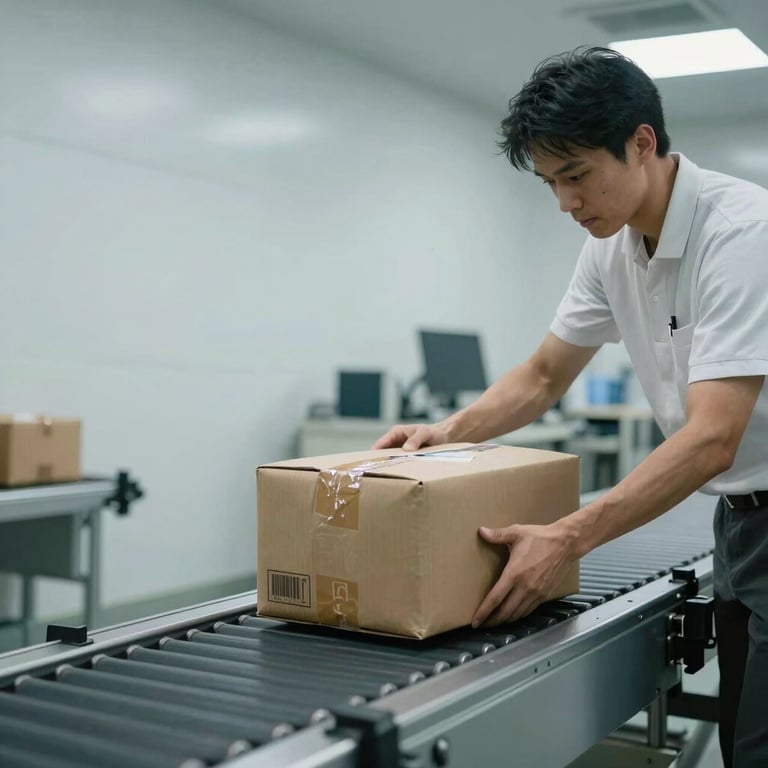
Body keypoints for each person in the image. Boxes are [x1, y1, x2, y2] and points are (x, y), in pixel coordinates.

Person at [373, 47, 768, 768]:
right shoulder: (609, 247)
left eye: (577, 175)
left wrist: (570, 536)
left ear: (642, 143)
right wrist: (443, 435)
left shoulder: (742, 234)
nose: (565, 203)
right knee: (744, 741)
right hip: (736, 522)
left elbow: (713, 438)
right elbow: (544, 374)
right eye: (552, 183)